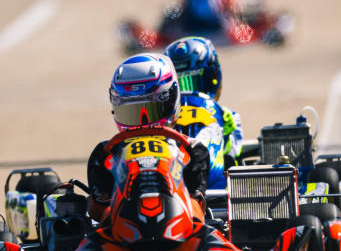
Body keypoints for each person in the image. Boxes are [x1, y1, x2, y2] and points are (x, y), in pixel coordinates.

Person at [86, 53, 211, 222]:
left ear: (171, 100)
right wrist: (102, 189)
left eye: (151, 110)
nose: (142, 123)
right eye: (131, 112)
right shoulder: (104, 153)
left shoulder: (193, 150)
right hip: (119, 228)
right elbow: (96, 214)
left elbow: (198, 206)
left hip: (181, 223)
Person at [163, 37, 243, 189]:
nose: (186, 93)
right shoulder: (159, 118)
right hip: (168, 181)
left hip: (214, 185)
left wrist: (226, 134)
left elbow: (232, 155)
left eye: (193, 82)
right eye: (180, 85)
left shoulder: (227, 117)